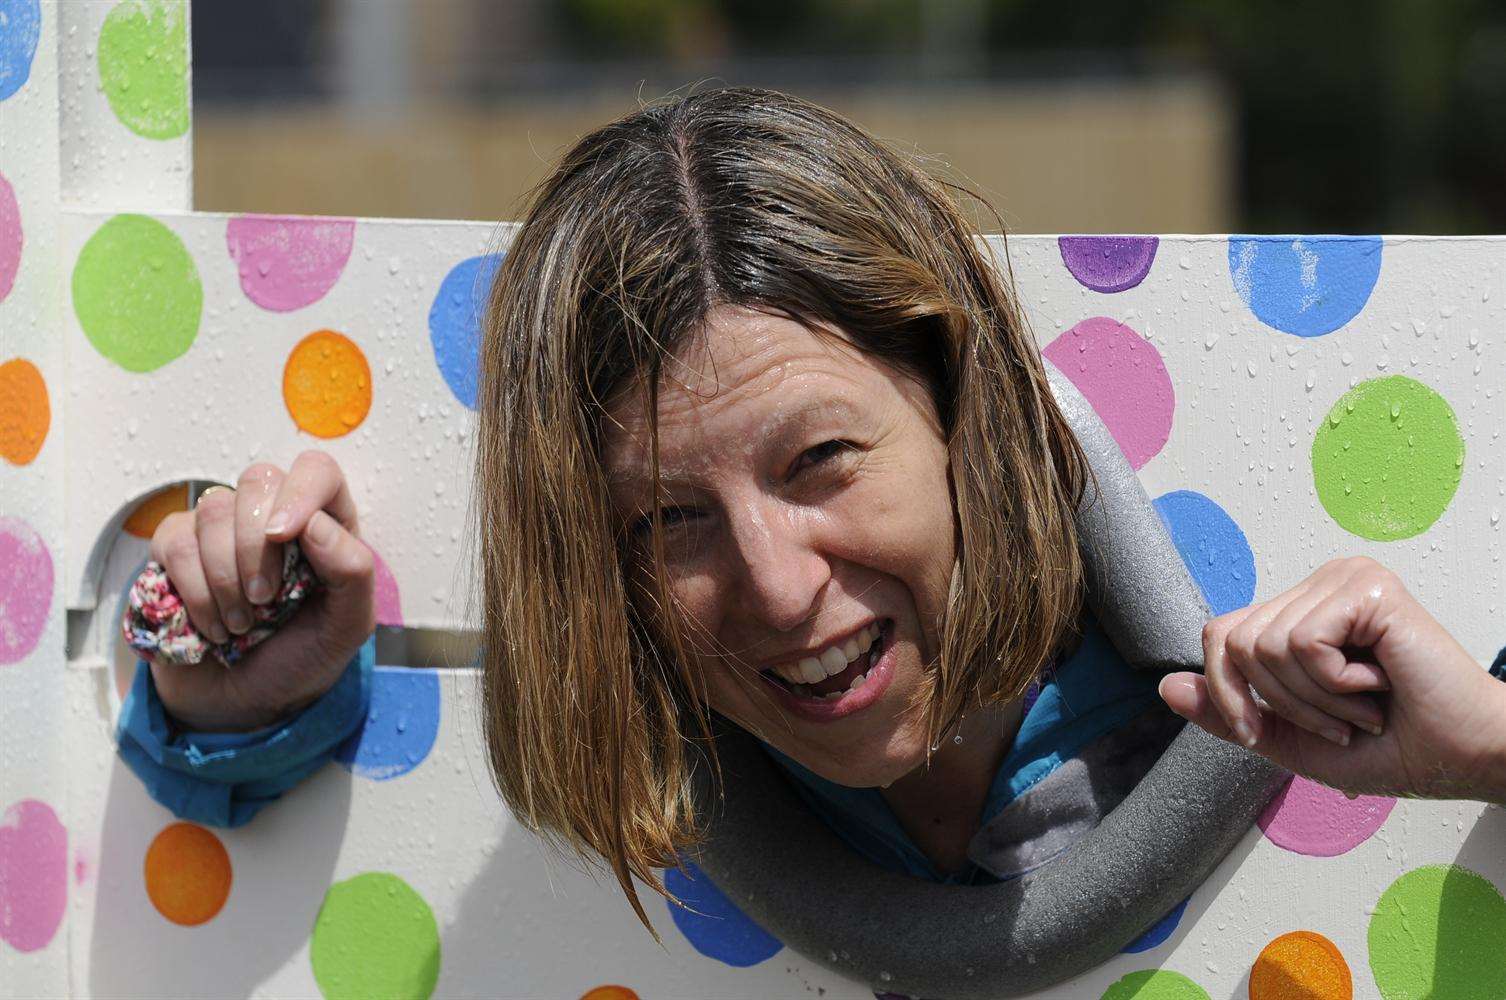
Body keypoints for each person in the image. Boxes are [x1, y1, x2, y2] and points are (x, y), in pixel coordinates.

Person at [114, 88, 1506, 937]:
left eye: (822, 459)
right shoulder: (682, 746)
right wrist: (251, 707)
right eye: (668, 523)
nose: (778, 588)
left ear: (967, 413)